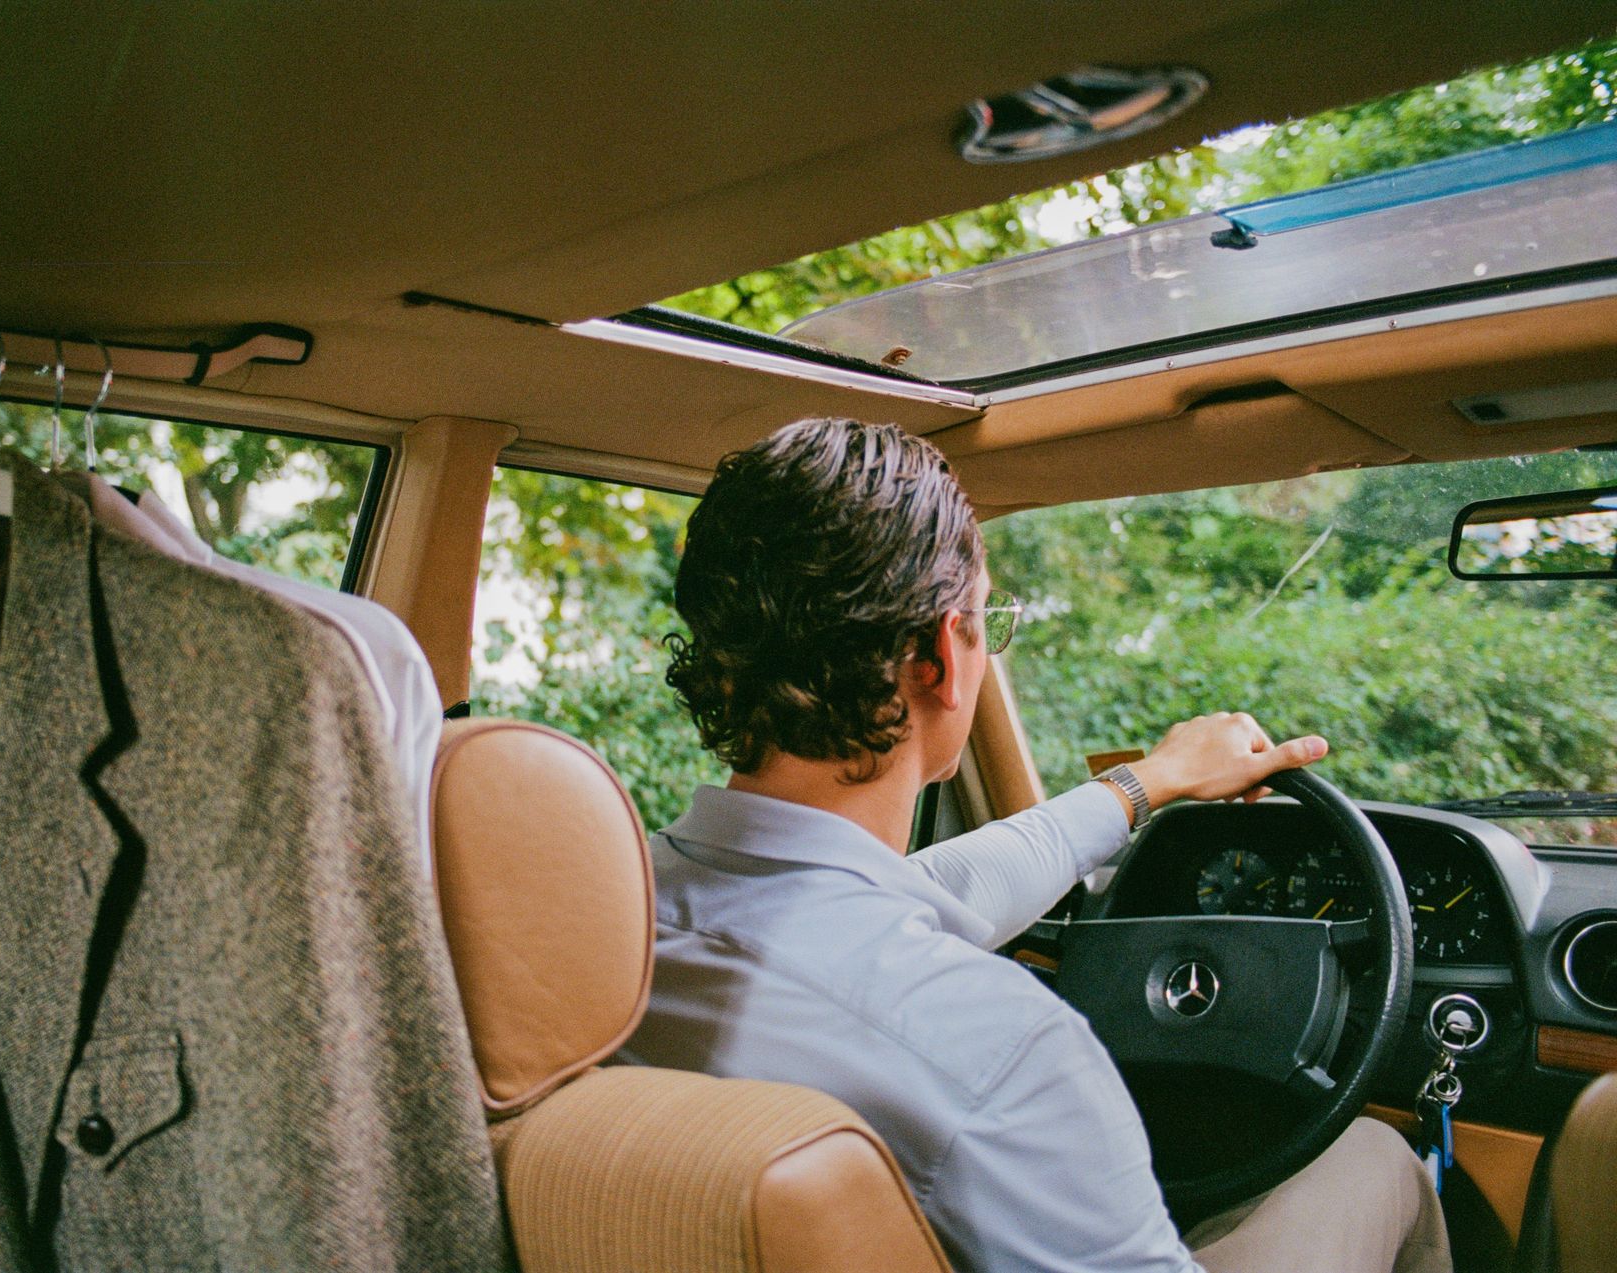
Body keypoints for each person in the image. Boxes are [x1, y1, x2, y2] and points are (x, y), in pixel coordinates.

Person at [619, 418, 1450, 1273]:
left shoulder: (601, 922)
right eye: (989, 619)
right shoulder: (1000, 1049)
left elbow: (917, 893)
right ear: (943, 652)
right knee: (1373, 1158)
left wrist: (1148, 782)